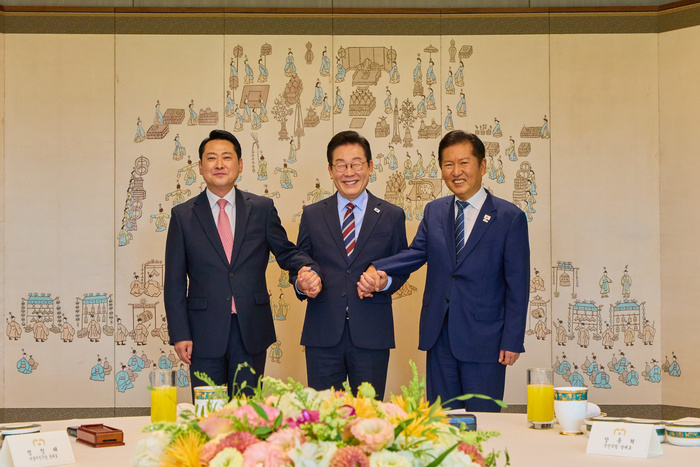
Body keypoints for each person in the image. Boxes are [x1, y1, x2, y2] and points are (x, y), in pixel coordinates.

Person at [358, 130, 530, 412]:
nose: (456, 172)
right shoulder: (434, 211)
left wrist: (512, 340)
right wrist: (379, 268)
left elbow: (518, 286)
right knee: (442, 421)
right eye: (448, 164)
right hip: (439, 335)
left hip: (485, 340)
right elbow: (416, 253)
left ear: (482, 166)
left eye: (464, 163)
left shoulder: (509, 218)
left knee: (483, 421)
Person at [164, 129, 321, 399]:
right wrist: (180, 333)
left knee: (247, 411)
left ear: (240, 165)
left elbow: (285, 252)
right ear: (200, 166)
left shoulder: (261, 208)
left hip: (251, 328)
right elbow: (175, 281)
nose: (219, 164)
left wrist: (309, 268)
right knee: (209, 410)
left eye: (227, 157)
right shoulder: (183, 215)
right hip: (203, 332)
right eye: (211, 158)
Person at [292, 131, 409, 399]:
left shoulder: (392, 215)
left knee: (369, 415)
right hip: (322, 334)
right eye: (341, 165)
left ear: (370, 166)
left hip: (372, 333)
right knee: (323, 416)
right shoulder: (312, 215)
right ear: (330, 170)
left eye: (356, 164)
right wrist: (301, 283)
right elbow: (299, 262)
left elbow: (401, 268)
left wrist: (384, 283)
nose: (349, 172)